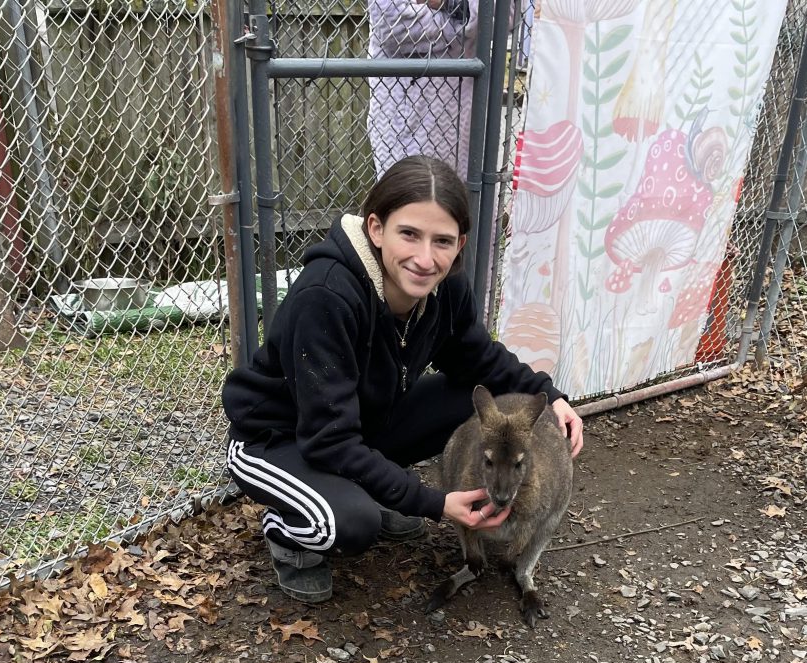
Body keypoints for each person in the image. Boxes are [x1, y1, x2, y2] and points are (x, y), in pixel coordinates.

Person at [222, 155, 583, 603]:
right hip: (276, 439)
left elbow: (479, 359)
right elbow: (327, 439)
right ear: (376, 229)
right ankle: (290, 535)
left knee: (477, 405)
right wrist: (429, 501)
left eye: (442, 241)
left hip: (357, 426)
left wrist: (549, 396)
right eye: (409, 234)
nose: (425, 258)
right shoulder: (328, 295)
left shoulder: (443, 286)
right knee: (350, 525)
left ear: (459, 244)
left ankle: (363, 489)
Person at [366, 0, 479, 179]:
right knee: (406, 198)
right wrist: (466, 24)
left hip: (471, 119)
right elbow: (393, 26)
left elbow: (505, 14)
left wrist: (445, 3)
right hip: (406, 119)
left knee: (467, 202)